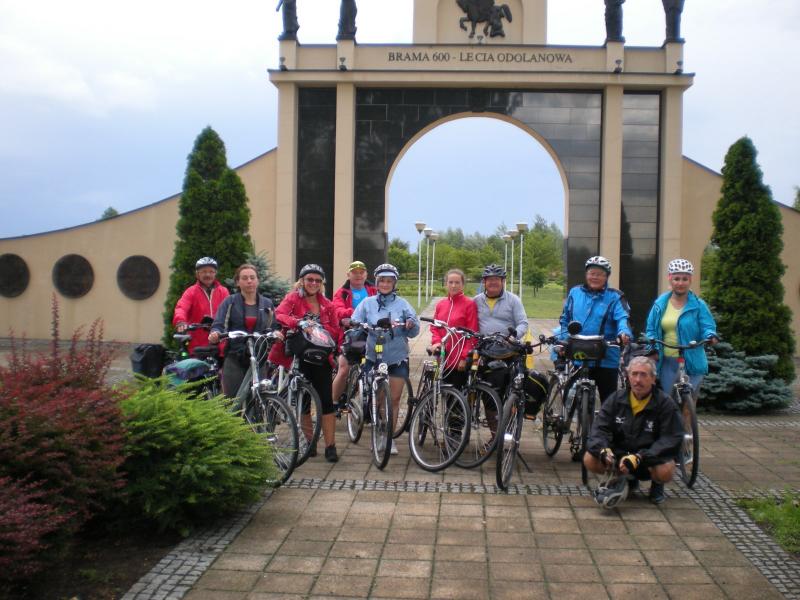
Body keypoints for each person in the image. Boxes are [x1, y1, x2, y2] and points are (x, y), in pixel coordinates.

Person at [584, 356, 684, 505]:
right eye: (634, 374)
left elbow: (671, 439)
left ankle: (657, 485)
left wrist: (640, 457)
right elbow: (599, 429)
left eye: (643, 375)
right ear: (628, 376)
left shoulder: (665, 403)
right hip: (620, 456)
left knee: (666, 470)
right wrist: (603, 450)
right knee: (589, 459)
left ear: (653, 378)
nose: (638, 380)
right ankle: (626, 479)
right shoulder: (615, 399)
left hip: (648, 458)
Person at [268, 264, 341, 462]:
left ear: (322, 283)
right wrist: (298, 323)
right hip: (299, 356)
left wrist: (319, 331)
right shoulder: (293, 298)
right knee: (304, 403)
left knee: (326, 401)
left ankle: (331, 446)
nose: (314, 283)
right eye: (310, 279)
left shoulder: (327, 304)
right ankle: (310, 443)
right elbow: (279, 314)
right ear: (302, 281)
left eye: (318, 280)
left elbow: (335, 330)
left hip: (320, 358)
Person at [351, 263, 419, 454]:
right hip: (374, 356)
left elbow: (415, 331)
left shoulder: (403, 304)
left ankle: (388, 437)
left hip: (397, 356)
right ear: (377, 282)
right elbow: (355, 321)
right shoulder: (367, 303)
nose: (385, 284)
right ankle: (377, 432)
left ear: (394, 283)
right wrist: (357, 325)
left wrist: (409, 324)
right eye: (382, 280)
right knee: (378, 398)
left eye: (389, 281)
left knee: (394, 399)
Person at [558, 256, 631, 403]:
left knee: (609, 402)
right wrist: (564, 338)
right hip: (580, 355)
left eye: (600, 274)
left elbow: (623, 317)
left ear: (606, 276)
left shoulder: (615, 296)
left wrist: (623, 332)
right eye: (592, 273)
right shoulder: (575, 293)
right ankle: (570, 421)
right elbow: (565, 318)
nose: (595, 277)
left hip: (606, 357)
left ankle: (605, 426)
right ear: (586, 275)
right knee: (571, 400)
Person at [645, 258, 718, 396]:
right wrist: (653, 345)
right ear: (670, 279)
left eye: (685, 279)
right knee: (669, 402)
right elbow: (651, 329)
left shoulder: (699, 305)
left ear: (690, 280)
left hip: (692, 359)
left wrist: (710, 335)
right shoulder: (660, 304)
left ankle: (689, 416)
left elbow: (707, 326)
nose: (680, 283)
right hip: (667, 360)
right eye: (676, 279)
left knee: (689, 402)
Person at [208, 264, 274, 398]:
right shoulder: (230, 302)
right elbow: (219, 324)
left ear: (257, 280)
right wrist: (215, 333)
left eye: (252, 277)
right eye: (244, 278)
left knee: (259, 398)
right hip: (235, 356)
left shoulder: (267, 304)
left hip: (258, 356)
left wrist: (277, 333)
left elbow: (273, 326)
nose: (249, 281)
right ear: (238, 282)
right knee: (233, 399)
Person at [474, 263, 529, 399]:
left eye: (496, 279)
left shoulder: (513, 300)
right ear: (484, 282)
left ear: (502, 281)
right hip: (485, 349)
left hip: (506, 349)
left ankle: (504, 411)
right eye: (489, 279)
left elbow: (523, 323)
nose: (493, 282)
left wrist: (514, 336)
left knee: (500, 381)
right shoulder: (476, 301)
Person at [331, 260, 377, 406]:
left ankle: (375, 406)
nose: (358, 275)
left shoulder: (373, 290)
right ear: (348, 275)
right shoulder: (342, 293)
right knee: (344, 368)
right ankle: (332, 403)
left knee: (378, 368)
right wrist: (356, 314)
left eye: (361, 272)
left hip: (372, 334)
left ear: (366, 274)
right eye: (355, 272)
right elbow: (337, 310)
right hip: (350, 334)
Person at [428, 268, 478, 389]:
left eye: (457, 282)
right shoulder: (441, 304)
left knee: (457, 399)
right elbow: (435, 327)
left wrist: (464, 357)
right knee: (444, 393)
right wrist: (436, 343)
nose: (453, 285)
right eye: (450, 282)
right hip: (442, 357)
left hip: (459, 359)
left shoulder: (469, 304)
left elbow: (472, 333)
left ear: (463, 285)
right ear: (446, 284)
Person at [173, 257, 230, 354]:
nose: (208, 274)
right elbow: (181, 307)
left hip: (220, 341)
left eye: (211, 271)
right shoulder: (191, 292)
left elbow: (231, 311)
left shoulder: (223, 292)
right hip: (198, 343)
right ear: (197, 274)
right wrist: (180, 321)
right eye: (204, 271)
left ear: (215, 273)